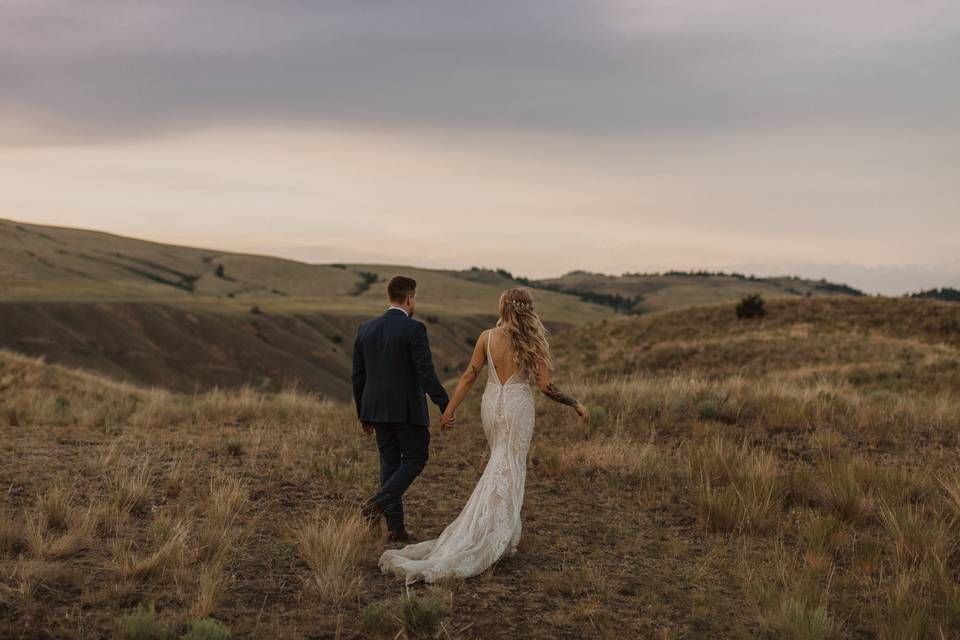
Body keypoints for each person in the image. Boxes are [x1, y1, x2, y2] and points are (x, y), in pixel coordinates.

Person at [379, 287, 589, 583]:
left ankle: (501, 530)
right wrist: (575, 403)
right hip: (517, 404)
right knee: (511, 465)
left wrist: (449, 410)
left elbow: (469, 375)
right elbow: (545, 386)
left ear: (503, 306)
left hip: (491, 403)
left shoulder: (486, 336)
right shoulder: (532, 340)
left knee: (499, 462)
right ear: (527, 309)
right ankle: (495, 534)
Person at [352, 275, 450, 543]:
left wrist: (363, 413)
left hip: (376, 410)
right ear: (409, 298)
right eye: (414, 298)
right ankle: (377, 503)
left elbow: (358, 377)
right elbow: (426, 373)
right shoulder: (414, 330)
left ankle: (396, 530)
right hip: (406, 410)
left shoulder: (365, 329)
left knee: (389, 465)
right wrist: (445, 404)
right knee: (416, 459)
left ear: (389, 297)